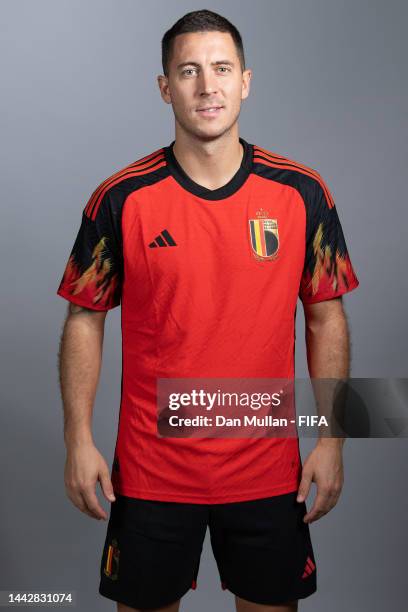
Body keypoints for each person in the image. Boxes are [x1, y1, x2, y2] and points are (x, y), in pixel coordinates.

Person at [57, 9, 359, 612]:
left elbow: (326, 316)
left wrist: (332, 439)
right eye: (188, 70)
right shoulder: (121, 198)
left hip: (268, 472)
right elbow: (85, 318)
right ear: (165, 87)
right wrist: (78, 439)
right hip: (150, 473)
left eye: (221, 68)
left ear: (245, 80)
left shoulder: (301, 193)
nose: (206, 85)